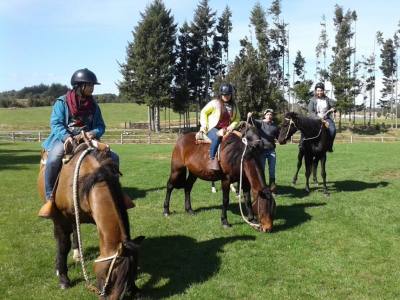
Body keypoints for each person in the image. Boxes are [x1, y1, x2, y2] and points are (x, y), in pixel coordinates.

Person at [38, 68, 130, 218]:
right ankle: (50, 199)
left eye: (93, 85)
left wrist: (93, 133)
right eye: (90, 84)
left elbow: (101, 126)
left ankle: (116, 193)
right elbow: (56, 123)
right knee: (54, 159)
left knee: (114, 157)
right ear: (79, 85)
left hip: (87, 138)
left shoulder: (94, 106)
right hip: (65, 139)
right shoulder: (62, 102)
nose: (92, 87)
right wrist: (66, 136)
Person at [199, 83, 240, 171]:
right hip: (213, 128)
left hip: (227, 129)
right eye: (224, 94)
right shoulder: (215, 103)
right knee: (217, 137)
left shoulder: (234, 105)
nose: (226, 96)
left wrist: (232, 126)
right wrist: (204, 125)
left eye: (228, 94)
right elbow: (203, 112)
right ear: (221, 94)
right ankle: (212, 159)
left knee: (238, 138)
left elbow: (237, 118)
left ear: (231, 94)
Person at [247, 109, 279, 193]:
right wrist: (250, 116)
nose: (269, 116)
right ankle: (263, 186)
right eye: (268, 114)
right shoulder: (260, 123)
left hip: (272, 151)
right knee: (262, 170)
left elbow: (279, 137)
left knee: (272, 170)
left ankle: (272, 187)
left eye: (271, 114)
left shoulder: (275, 126)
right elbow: (252, 121)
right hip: (262, 151)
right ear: (265, 115)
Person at [307, 82, 336, 152]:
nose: (319, 92)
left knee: (333, 130)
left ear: (323, 91)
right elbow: (311, 112)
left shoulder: (327, 99)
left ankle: (329, 145)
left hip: (326, 118)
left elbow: (334, 105)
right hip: (315, 119)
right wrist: (319, 118)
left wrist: (334, 109)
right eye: (318, 90)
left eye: (321, 90)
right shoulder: (312, 100)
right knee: (306, 131)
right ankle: (304, 145)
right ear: (315, 91)